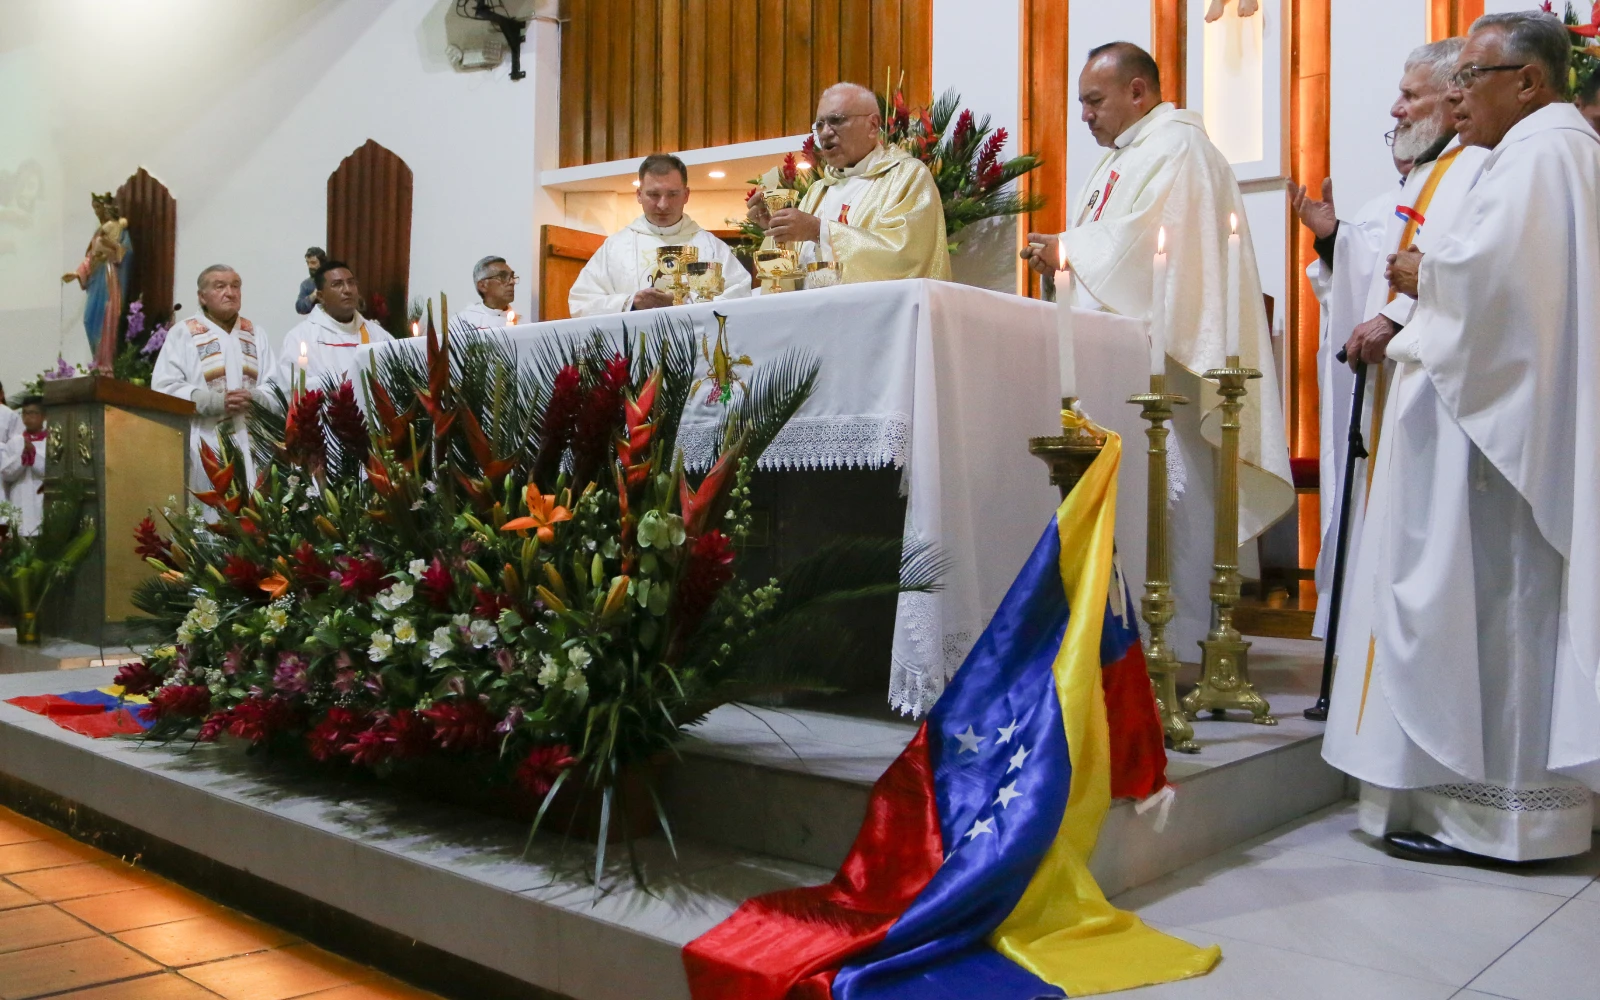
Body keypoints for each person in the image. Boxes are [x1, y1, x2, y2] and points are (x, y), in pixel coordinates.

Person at [1322, 11, 1600, 864]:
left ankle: (1498, 819)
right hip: (1485, 429)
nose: (1454, 94)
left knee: (1498, 612)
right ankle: (1467, 809)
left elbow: (1508, 294)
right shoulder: (1531, 153)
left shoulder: (1549, 153)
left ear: (1529, 80)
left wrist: (1421, 271)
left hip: (1496, 453)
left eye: (1469, 78)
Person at [1022, 41, 1293, 654]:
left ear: (1138, 92)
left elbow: (1149, 250)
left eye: (1094, 101)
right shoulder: (1128, 155)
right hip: (1120, 356)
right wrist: (1063, 259)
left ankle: (1184, 643)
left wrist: (1069, 252)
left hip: (1167, 365)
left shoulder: (1178, 146)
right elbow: (1109, 246)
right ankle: (1126, 643)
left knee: (1175, 504)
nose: (1085, 115)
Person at [1295, 38, 1482, 638]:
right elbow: (1372, 267)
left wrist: (1398, 316)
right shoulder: (1417, 181)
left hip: (1436, 381)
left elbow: (1469, 267)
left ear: (1456, 97)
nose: (1395, 110)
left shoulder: (1474, 169)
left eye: (1408, 95)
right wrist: (1333, 241)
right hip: (1389, 382)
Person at [744, 82, 951, 283]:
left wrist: (819, 231)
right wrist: (778, 229)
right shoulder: (818, 190)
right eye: (819, 125)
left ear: (872, 125)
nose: (825, 132)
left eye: (836, 120)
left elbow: (905, 257)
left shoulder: (907, 176)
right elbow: (798, 272)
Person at [568, 154, 753, 316]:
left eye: (672, 194)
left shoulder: (711, 247)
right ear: (639, 195)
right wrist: (632, 302)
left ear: (686, 195)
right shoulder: (615, 247)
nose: (663, 205)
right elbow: (581, 303)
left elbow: (740, 293)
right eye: (654, 194)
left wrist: (685, 302)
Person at [153, 266, 274, 494]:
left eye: (235, 285)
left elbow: (277, 387)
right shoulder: (183, 333)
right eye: (220, 286)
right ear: (202, 297)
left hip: (255, 444)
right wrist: (215, 402)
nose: (230, 292)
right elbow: (165, 387)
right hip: (206, 443)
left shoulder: (255, 334)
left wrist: (254, 397)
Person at [272, 260, 393, 392]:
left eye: (351, 283)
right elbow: (291, 388)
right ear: (320, 296)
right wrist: (339, 382)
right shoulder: (300, 337)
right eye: (337, 284)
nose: (347, 290)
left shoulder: (377, 334)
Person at [61, 192, 131, 372]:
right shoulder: (98, 233)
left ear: (108, 208)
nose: (97, 213)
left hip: (109, 278)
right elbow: (90, 258)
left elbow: (126, 253)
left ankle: (105, 364)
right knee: (88, 319)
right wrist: (77, 274)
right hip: (95, 280)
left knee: (106, 318)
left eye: (99, 208)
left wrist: (110, 252)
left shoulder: (119, 230)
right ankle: (97, 361)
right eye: (95, 209)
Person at [1, 397, 49, 535]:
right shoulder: (14, 442)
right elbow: (6, 474)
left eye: (33, 413)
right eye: (25, 413)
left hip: (40, 497)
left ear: (44, 415)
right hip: (19, 497)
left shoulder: (51, 440)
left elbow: (52, 471)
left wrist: (33, 454)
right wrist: (22, 458)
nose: (28, 417)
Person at [454, 256, 517, 331]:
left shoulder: (523, 323)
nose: (512, 282)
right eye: (502, 276)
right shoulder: (462, 323)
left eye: (512, 276)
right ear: (482, 286)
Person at [295, 247, 327, 316]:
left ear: (322, 263)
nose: (310, 266)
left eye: (313, 263)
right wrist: (314, 295)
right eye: (308, 263)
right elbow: (300, 308)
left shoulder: (332, 279)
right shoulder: (306, 284)